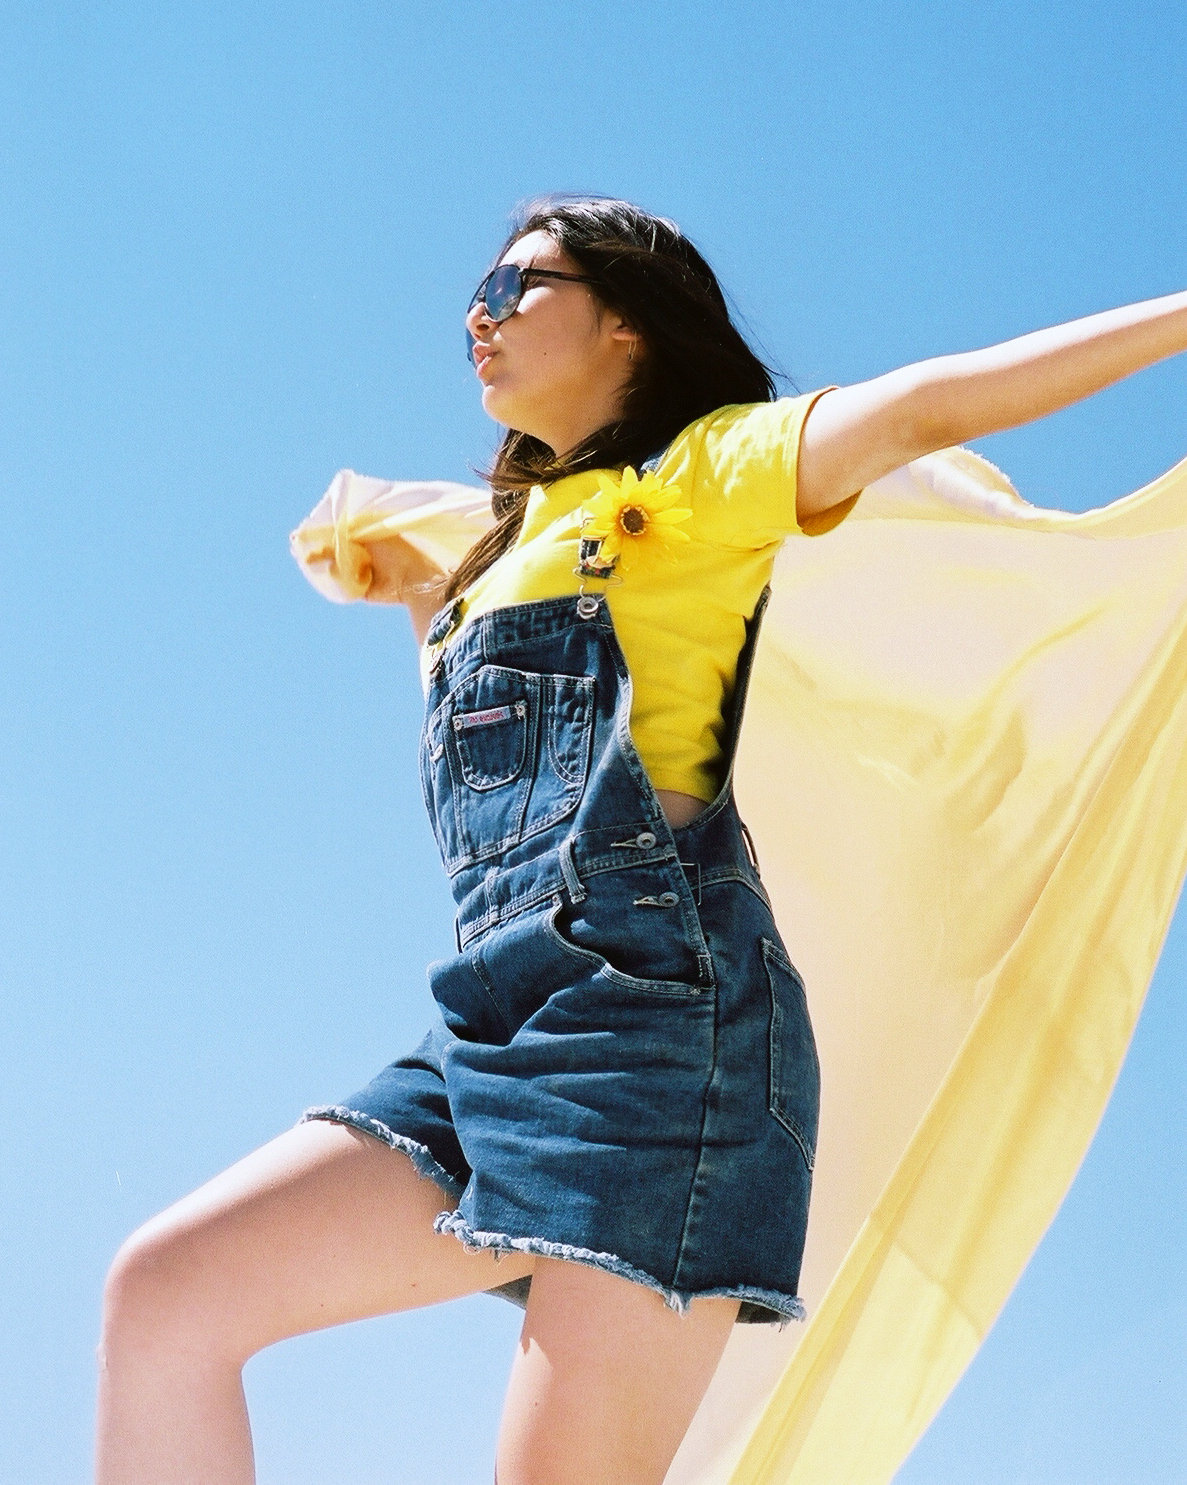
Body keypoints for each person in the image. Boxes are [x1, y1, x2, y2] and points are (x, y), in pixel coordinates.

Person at [95, 197, 1187, 1485]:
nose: (477, 316)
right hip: (494, 1026)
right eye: (473, 295)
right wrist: (413, 592)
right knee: (165, 1300)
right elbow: (503, 781)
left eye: (514, 285)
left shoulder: (699, 480)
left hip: (661, 1047)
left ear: (623, 318)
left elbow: (923, 409)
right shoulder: (502, 557)